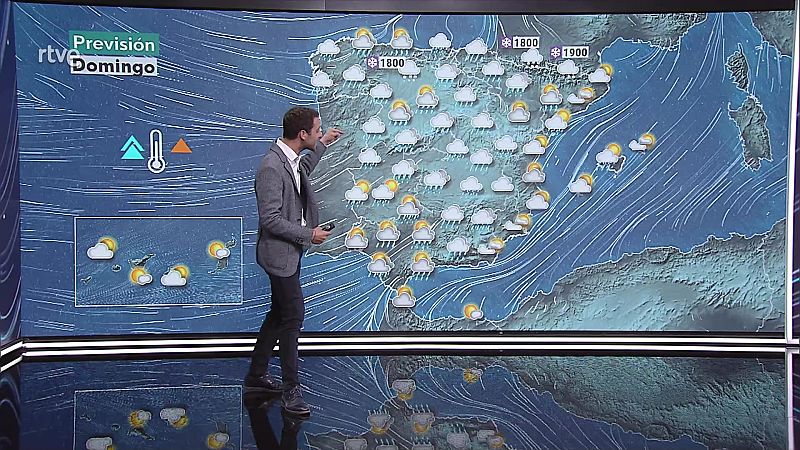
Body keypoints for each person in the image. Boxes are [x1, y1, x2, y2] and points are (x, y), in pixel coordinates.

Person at [246, 106, 343, 416]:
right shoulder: (271, 167)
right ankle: (292, 392)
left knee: (279, 313)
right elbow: (270, 219)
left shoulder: (292, 160)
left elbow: (305, 170)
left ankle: (256, 376)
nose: (318, 133)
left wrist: (324, 141)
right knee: (293, 317)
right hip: (278, 254)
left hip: (290, 253)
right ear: (302, 134)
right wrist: (307, 234)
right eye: (317, 130)